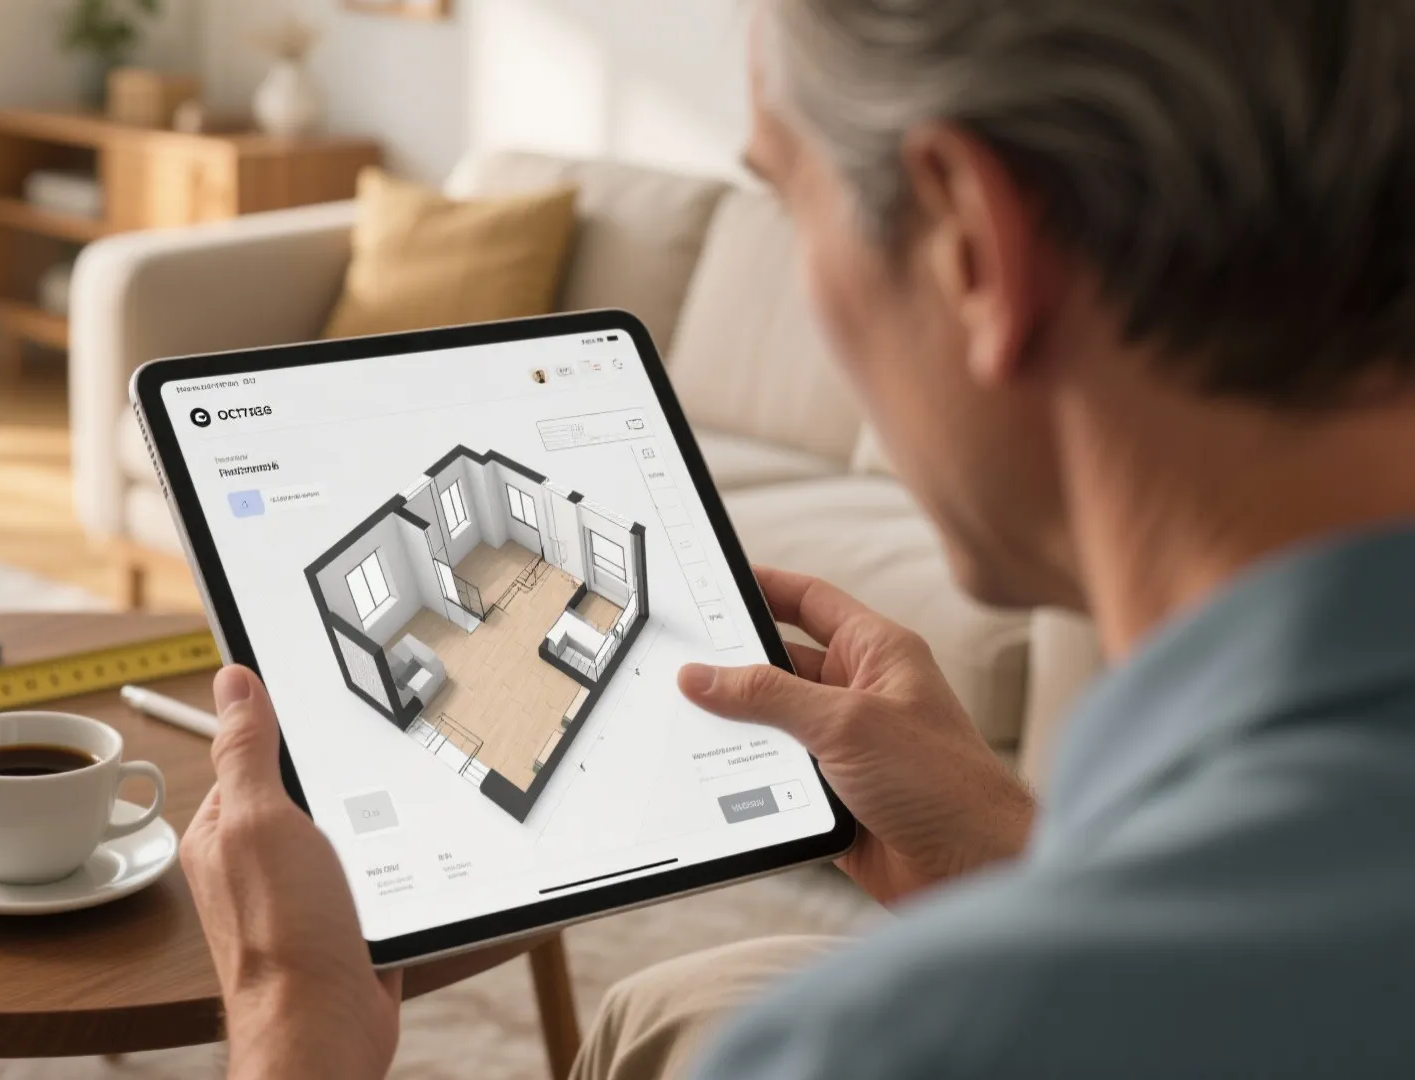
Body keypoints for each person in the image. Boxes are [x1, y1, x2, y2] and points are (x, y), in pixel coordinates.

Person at [179, 0, 1415, 1076]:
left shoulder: (896, 1044)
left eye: (786, 199)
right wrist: (1011, 851)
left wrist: (300, 1020)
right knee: (676, 999)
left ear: (973, 245)